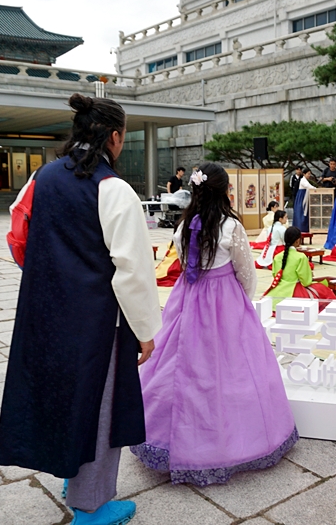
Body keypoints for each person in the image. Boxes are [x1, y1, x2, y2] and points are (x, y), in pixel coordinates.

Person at [0, 93, 161, 525]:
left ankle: (71, 477)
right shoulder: (113, 189)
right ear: (114, 136)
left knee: (60, 399)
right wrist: (145, 329)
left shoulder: (41, 178)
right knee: (103, 406)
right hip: (96, 320)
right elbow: (133, 271)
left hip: (46, 311)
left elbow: (18, 234)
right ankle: (92, 506)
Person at [131, 162, 298, 486]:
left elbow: (182, 264)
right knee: (232, 366)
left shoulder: (182, 227)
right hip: (223, 300)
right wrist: (241, 302)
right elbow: (246, 272)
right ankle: (233, 441)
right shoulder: (230, 226)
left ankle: (165, 437)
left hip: (188, 298)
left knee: (181, 365)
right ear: (224, 192)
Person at [264, 226, 336, 310]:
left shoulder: (277, 257)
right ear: (298, 241)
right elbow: (306, 282)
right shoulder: (300, 257)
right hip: (295, 290)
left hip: (278, 289)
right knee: (323, 290)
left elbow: (275, 274)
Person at [293, 168, 314, 233]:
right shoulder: (303, 180)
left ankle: (305, 227)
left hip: (305, 196)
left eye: (310, 174)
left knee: (305, 212)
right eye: (308, 174)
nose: (309, 175)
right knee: (301, 212)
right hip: (302, 198)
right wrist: (315, 188)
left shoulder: (305, 180)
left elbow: (310, 186)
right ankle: (300, 228)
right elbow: (309, 186)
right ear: (304, 174)